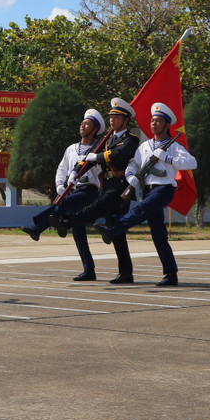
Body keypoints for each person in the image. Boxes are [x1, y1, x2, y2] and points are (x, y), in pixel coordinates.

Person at [100, 103, 195, 286]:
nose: (154, 124)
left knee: (142, 208)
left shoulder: (173, 146)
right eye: (152, 120)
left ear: (167, 125)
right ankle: (171, 274)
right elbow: (133, 164)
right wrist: (131, 178)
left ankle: (116, 227)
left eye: (158, 121)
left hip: (164, 189)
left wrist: (167, 158)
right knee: (158, 234)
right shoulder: (144, 146)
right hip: (147, 189)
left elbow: (192, 163)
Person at [22, 109, 107, 282]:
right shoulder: (71, 149)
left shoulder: (97, 150)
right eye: (83, 122)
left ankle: (39, 227)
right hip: (73, 190)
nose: (83, 125)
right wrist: (60, 186)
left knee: (63, 206)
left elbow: (101, 171)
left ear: (95, 129)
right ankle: (89, 270)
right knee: (79, 232)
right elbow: (62, 169)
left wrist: (96, 158)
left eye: (87, 123)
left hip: (88, 191)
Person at [67, 98, 141, 284]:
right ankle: (126, 273)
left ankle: (70, 219)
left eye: (116, 117)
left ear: (125, 121)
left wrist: (97, 156)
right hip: (106, 185)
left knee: (97, 207)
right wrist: (75, 171)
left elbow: (119, 155)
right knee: (116, 232)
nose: (112, 120)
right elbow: (86, 158)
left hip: (120, 186)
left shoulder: (131, 139)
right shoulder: (106, 140)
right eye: (111, 117)